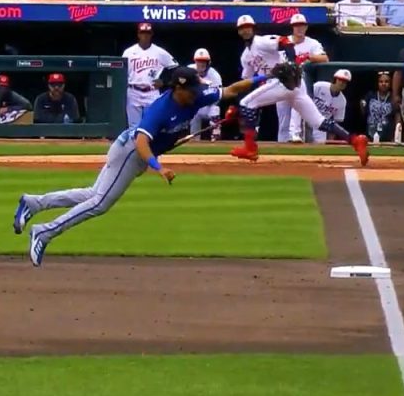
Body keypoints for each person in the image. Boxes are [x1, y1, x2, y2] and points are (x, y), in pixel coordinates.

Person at [14, 66, 260, 266]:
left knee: (93, 195)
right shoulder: (161, 108)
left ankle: (34, 203)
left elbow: (231, 89)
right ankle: (44, 232)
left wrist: (265, 77)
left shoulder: (194, 97)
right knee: (100, 203)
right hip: (131, 152)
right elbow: (142, 141)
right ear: (178, 88)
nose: (196, 94)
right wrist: (158, 167)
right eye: (191, 90)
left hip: (134, 153)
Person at [230, 15, 370, 165]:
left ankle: (250, 148)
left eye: (248, 27)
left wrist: (290, 62)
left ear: (253, 28)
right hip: (286, 84)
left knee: (247, 103)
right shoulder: (245, 56)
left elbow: (285, 42)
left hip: (285, 80)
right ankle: (356, 140)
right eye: (242, 28)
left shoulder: (261, 41)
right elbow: (248, 81)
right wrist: (237, 107)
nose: (246, 31)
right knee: (318, 121)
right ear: (239, 31)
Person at [276, 13, 328, 143]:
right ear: (292, 27)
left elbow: (325, 58)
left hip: (299, 82)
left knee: (297, 102)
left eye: (302, 26)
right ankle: (282, 146)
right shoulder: (283, 42)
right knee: (283, 120)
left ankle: (295, 134)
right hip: (281, 83)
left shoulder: (312, 43)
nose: (299, 28)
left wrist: (308, 57)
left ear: (306, 27)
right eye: (296, 26)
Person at [122, 23, 178, 129]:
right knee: (133, 127)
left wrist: (164, 82)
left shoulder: (159, 52)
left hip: (151, 91)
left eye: (147, 33)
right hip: (133, 91)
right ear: (138, 34)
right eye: (143, 33)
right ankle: (135, 146)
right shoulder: (128, 52)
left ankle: (150, 146)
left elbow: (175, 67)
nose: (145, 36)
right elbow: (122, 72)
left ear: (151, 34)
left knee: (152, 124)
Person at [187, 48, 223, 140]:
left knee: (215, 109)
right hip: (193, 106)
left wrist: (205, 97)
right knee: (193, 117)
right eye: (199, 61)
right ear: (195, 61)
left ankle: (215, 135)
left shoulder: (214, 75)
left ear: (208, 62)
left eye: (204, 61)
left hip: (207, 105)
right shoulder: (189, 70)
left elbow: (218, 96)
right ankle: (194, 142)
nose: (201, 63)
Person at [308, 69, 350, 144]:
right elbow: (306, 98)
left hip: (321, 125)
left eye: (345, 81)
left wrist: (331, 141)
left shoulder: (342, 101)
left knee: (319, 146)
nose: (342, 83)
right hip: (308, 119)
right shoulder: (319, 86)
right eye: (340, 80)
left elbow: (336, 122)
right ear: (334, 79)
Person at [360, 71, 396, 142]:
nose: (383, 84)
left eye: (386, 81)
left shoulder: (393, 97)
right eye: (381, 81)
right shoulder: (370, 95)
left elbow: (397, 115)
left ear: (390, 83)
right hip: (370, 134)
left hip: (387, 136)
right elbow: (363, 113)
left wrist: (396, 136)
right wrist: (362, 105)